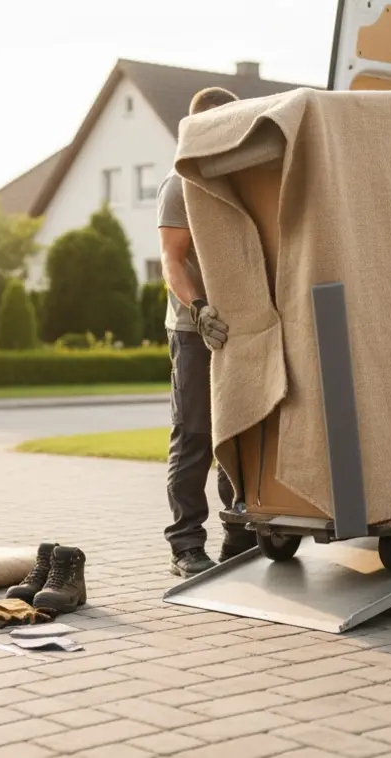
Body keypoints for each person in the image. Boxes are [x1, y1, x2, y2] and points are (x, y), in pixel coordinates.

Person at [157, 86, 258, 577]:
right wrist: (198, 310)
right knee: (196, 436)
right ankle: (185, 546)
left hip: (243, 326)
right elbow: (171, 260)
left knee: (238, 430)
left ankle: (240, 536)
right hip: (195, 330)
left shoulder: (242, 177)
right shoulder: (180, 184)